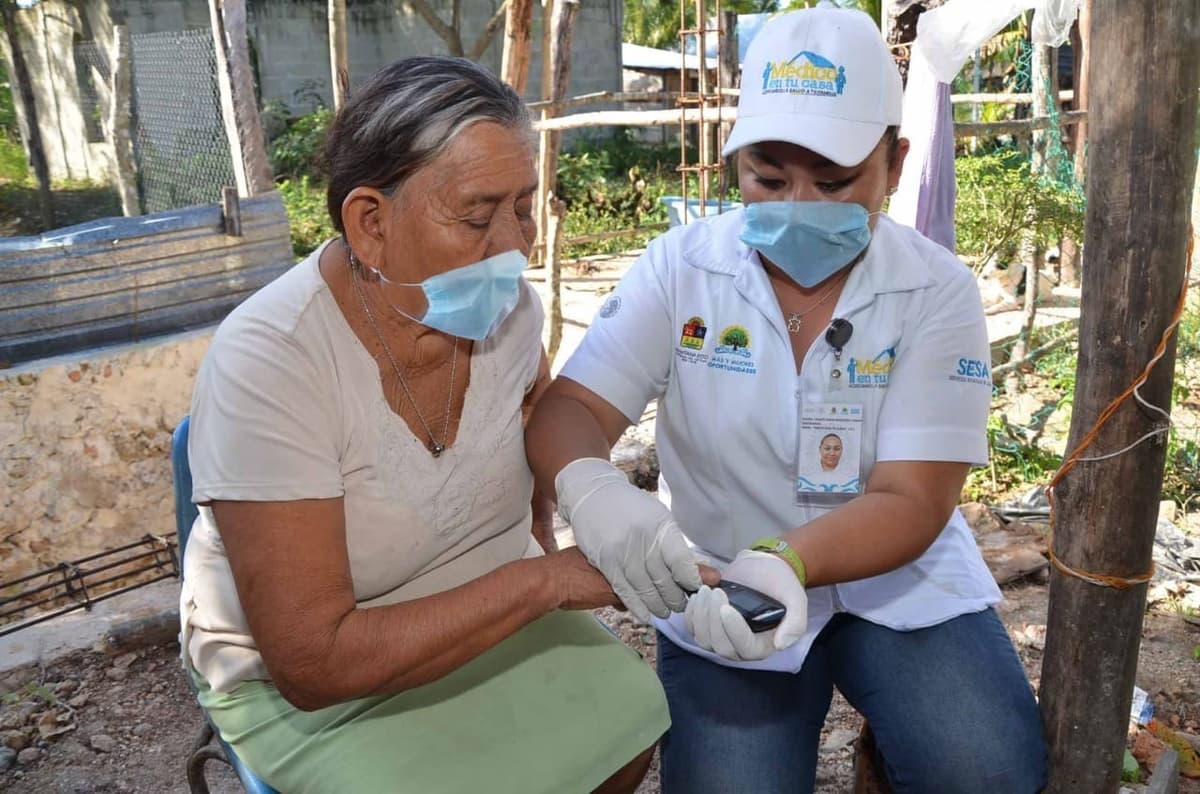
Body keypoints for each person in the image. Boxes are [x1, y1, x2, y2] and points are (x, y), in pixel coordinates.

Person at [526, 6, 1048, 793]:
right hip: (722, 589)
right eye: (769, 178)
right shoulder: (683, 269)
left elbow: (912, 497)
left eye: (834, 182)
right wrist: (592, 491)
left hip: (895, 581)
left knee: (986, 771)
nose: (799, 203)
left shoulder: (935, 290)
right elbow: (572, 408)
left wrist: (787, 560)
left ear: (896, 164)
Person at [179, 56, 680, 794]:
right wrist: (544, 584)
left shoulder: (510, 316)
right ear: (370, 225)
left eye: (525, 206)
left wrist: (591, 499)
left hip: (485, 604)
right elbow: (314, 664)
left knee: (632, 710)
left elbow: (538, 439)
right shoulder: (274, 361)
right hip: (316, 689)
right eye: (478, 216)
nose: (517, 245)